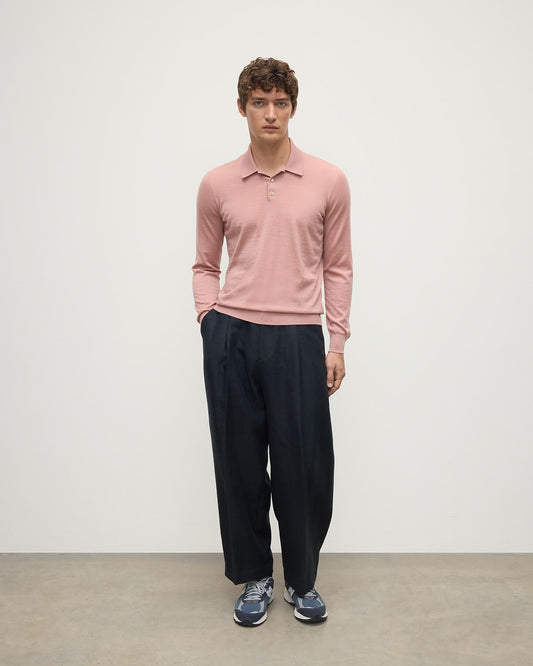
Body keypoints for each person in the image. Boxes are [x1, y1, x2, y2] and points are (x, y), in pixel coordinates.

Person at [192, 57, 353, 626]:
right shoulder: (216, 183)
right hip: (232, 336)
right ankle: (256, 576)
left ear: (293, 109)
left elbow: (338, 266)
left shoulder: (328, 180)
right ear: (242, 108)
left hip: (298, 338)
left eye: (280, 103)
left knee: (303, 465)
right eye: (259, 103)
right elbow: (204, 263)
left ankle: (302, 580)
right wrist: (209, 320)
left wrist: (336, 340)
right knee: (238, 464)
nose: (270, 113)